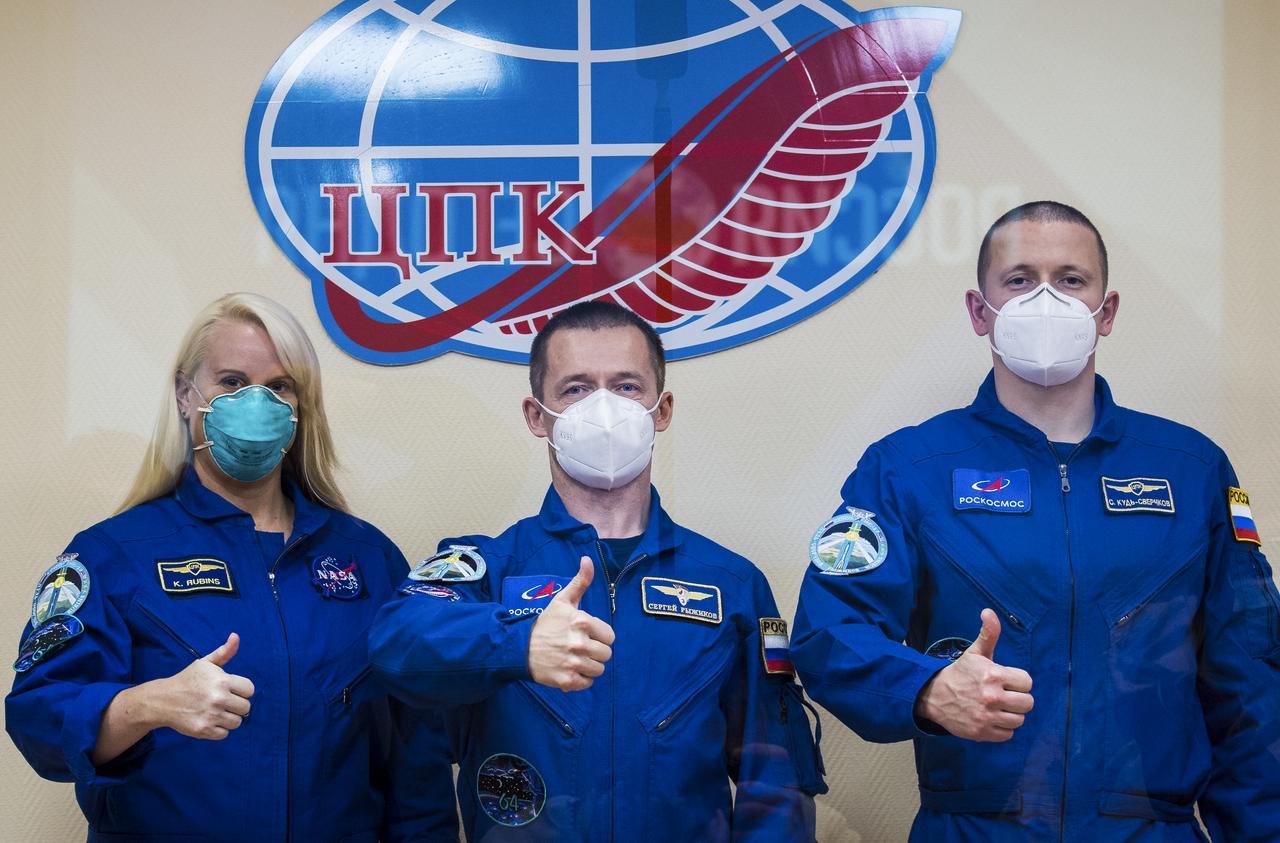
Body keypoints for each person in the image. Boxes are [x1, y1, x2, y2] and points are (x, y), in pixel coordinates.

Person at [792, 201, 1280, 841]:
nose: (1045, 298)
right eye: (1019, 279)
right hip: (974, 828)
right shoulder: (908, 468)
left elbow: (1250, 683)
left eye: (1071, 280)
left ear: (1105, 314)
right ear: (979, 311)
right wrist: (927, 687)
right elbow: (830, 630)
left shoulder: (1191, 469)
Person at [6, 293, 457, 842]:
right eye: (232, 382)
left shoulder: (370, 559)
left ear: (300, 408)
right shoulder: (112, 554)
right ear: (185, 395)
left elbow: (418, 762)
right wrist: (145, 704)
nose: (256, 404)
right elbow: (36, 719)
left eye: (278, 387)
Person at [370, 301, 826, 841]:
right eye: (577, 388)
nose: (604, 407)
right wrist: (516, 643)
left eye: (627, 386)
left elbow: (773, 778)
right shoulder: (487, 569)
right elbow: (395, 642)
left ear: (661, 410)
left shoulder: (733, 583)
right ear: (537, 415)